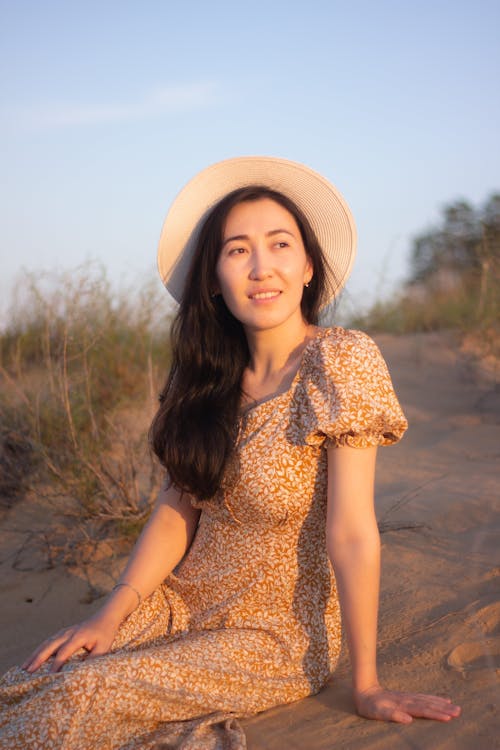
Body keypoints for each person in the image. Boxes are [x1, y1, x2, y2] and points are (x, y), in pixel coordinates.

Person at [0, 156, 460, 749]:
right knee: (37, 679)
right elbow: (178, 508)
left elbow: (351, 531)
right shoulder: (205, 379)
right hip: (179, 604)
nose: (262, 266)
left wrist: (366, 683)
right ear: (213, 277)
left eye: (279, 244)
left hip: (271, 636)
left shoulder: (339, 361)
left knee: (81, 698)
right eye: (238, 250)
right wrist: (109, 613)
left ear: (308, 266)